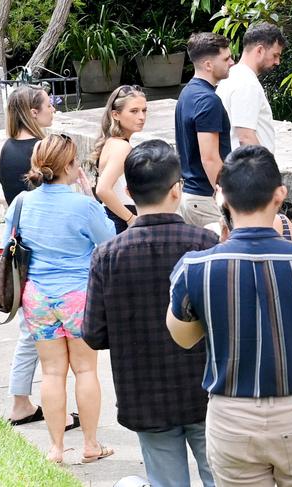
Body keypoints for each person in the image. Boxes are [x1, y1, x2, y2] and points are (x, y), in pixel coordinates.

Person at [167, 145, 292, 486]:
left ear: (223, 198)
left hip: (231, 415)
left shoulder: (196, 267)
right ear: (280, 195)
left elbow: (183, 337)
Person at [84, 139, 217, 486]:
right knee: (221, 477)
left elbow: (94, 334)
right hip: (206, 389)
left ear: (128, 190)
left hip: (145, 393)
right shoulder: (205, 244)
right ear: (177, 190)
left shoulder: (107, 254)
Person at [0, 85, 81, 430]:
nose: (52, 108)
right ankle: (33, 405)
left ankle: (21, 402)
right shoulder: (44, 151)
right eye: (47, 105)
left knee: (30, 330)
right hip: (48, 247)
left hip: (16, 246)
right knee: (48, 336)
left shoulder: (1, 149)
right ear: (34, 113)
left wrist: (2, 201)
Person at [3, 134, 116, 463]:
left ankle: (55, 449)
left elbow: (6, 246)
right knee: (85, 371)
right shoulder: (83, 206)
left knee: (52, 373)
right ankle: (91, 444)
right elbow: (108, 242)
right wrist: (88, 196)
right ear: (69, 166)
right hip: (77, 296)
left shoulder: (22, 202)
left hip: (36, 297)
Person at [175, 32, 234, 228]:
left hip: (192, 196)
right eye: (226, 58)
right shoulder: (208, 100)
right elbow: (209, 158)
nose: (232, 62)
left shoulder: (188, 93)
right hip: (205, 199)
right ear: (208, 65)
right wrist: (227, 199)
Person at [216, 23, 286, 152]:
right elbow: (245, 137)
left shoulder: (231, 76)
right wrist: (266, 169)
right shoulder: (246, 84)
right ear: (259, 50)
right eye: (275, 55)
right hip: (249, 168)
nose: (277, 62)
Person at [93, 84, 148, 233]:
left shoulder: (112, 142)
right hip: (121, 221)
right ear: (116, 115)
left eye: (144, 110)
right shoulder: (121, 147)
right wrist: (131, 219)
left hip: (115, 217)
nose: (141, 117)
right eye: (134, 111)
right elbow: (102, 189)